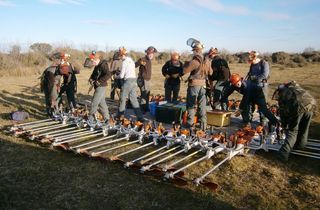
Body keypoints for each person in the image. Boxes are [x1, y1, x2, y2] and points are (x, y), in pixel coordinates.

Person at [273, 81, 317, 162]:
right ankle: (300, 145)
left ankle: (283, 154)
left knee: (292, 131)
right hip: (311, 105)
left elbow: (283, 113)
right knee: (304, 128)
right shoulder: (296, 87)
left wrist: (284, 124)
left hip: (298, 107)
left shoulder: (284, 94)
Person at [183, 39, 212, 130]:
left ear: (196, 50)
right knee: (202, 105)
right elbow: (210, 72)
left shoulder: (195, 60)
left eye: (194, 50)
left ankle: (190, 123)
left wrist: (186, 64)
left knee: (191, 104)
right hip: (203, 85)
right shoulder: (206, 60)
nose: (193, 52)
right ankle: (203, 124)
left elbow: (184, 71)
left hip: (194, 85)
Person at [118, 47, 144, 122]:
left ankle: (120, 116)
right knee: (134, 100)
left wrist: (116, 76)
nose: (120, 58)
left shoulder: (124, 62)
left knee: (122, 99)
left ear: (122, 55)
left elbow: (122, 76)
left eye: (120, 56)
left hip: (128, 81)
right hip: (133, 81)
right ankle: (140, 117)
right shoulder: (132, 61)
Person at [87, 52, 112, 124]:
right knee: (102, 103)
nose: (92, 62)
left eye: (93, 61)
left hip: (101, 86)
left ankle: (90, 118)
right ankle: (107, 119)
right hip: (97, 86)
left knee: (94, 102)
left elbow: (108, 74)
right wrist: (91, 79)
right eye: (92, 61)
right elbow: (94, 74)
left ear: (97, 59)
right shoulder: (97, 65)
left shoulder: (103, 65)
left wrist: (99, 81)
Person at [136, 46, 157, 112]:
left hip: (147, 80)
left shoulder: (149, 60)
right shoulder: (143, 59)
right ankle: (142, 109)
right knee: (143, 94)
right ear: (147, 53)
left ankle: (146, 107)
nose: (152, 55)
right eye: (151, 53)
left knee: (147, 94)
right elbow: (135, 65)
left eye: (153, 54)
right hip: (142, 80)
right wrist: (140, 63)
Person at [41, 52, 61, 117]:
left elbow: (57, 79)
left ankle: (50, 113)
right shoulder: (51, 70)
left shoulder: (56, 68)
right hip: (50, 87)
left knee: (51, 100)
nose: (61, 61)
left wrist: (58, 86)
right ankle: (55, 114)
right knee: (53, 100)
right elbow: (51, 83)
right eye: (60, 60)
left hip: (50, 86)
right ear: (56, 60)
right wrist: (51, 95)